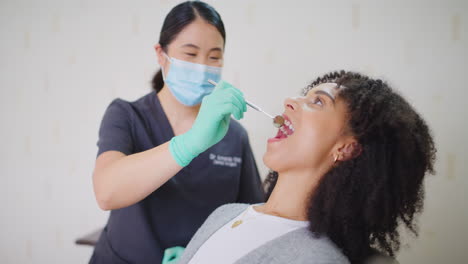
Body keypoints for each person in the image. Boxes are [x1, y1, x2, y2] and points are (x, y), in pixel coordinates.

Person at [177, 70, 436, 264]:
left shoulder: (316, 259)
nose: (290, 101)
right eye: (305, 95)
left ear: (346, 148)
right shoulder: (224, 215)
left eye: (319, 102)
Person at [90, 2, 264, 263]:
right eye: (190, 54)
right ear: (161, 54)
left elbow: (250, 218)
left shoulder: (233, 135)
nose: (203, 67)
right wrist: (190, 143)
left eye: (214, 56)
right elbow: (107, 192)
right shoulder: (127, 115)